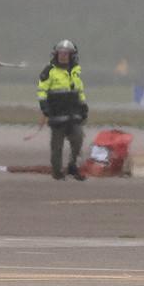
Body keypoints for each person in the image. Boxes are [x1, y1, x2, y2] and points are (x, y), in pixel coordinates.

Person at [37, 39, 89, 180]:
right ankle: (57, 172)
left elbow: (79, 91)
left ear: (71, 55)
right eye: (61, 53)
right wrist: (44, 106)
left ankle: (73, 166)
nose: (63, 56)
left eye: (66, 53)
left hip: (73, 114)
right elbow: (42, 90)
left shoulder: (75, 72)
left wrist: (83, 106)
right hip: (57, 114)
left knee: (78, 139)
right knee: (57, 145)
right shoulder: (49, 71)